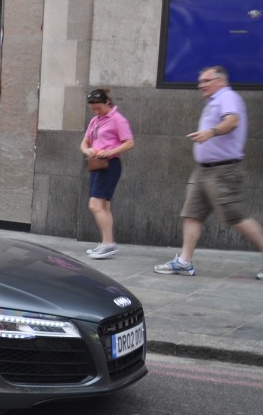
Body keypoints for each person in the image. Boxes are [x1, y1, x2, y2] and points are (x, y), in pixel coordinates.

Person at [155, 65, 263, 279]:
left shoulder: (227, 97)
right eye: (200, 81)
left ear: (220, 81)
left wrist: (211, 132)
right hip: (203, 171)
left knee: (236, 217)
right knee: (192, 214)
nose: (200, 85)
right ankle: (185, 262)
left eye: (206, 81)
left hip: (223, 171)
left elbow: (232, 120)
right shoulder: (214, 100)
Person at [79, 88, 134, 259]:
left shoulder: (118, 119)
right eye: (93, 109)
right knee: (104, 206)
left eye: (99, 108)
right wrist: (87, 151)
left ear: (107, 103)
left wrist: (109, 152)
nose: (96, 111)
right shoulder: (95, 120)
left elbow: (129, 143)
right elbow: (84, 142)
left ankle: (109, 244)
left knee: (95, 205)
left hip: (110, 164)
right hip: (97, 164)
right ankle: (106, 242)